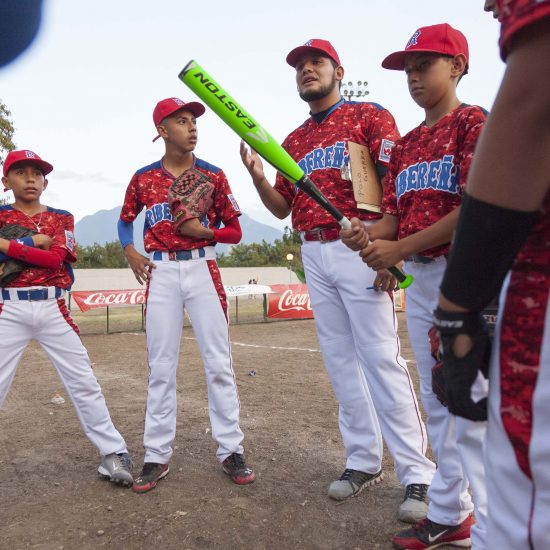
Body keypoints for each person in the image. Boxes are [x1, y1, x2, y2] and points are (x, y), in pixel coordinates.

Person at [240, 39, 435, 522]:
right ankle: (363, 460)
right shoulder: (291, 141)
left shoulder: (369, 116)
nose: (307, 70)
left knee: (380, 359)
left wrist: (390, 254)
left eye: (316, 63)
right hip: (313, 249)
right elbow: (282, 208)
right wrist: (259, 178)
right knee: (340, 362)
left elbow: (396, 179)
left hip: (359, 245)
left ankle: (418, 474)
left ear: (338, 71)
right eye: (300, 67)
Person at [341, 24, 489, 549]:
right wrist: (368, 232)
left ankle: (492, 520)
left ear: (457, 67)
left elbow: (476, 211)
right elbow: (395, 219)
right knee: (439, 397)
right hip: (424, 281)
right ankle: (453, 513)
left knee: (471, 396)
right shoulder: (404, 146)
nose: (412, 75)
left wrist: (397, 248)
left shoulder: (473, 125)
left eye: (424, 64)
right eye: (407, 67)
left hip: (471, 280)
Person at [434, 2, 550, 548]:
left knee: (520, 522)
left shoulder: (472, 121)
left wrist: (459, 310)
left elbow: (535, 107)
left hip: (533, 280)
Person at [118, 97, 254, 493]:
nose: (192, 127)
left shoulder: (213, 174)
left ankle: (231, 449)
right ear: (162, 130)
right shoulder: (143, 177)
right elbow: (125, 222)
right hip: (159, 269)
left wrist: (206, 233)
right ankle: (156, 455)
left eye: (194, 121)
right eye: (182, 121)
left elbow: (236, 230)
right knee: (161, 367)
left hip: (202, 265)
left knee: (218, 363)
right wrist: (129, 250)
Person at [0, 149, 133, 487]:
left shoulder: (62, 217)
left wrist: (7, 245)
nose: (31, 178)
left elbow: (56, 260)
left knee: (84, 382)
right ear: (6, 181)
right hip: (7, 307)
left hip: (53, 306)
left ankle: (112, 452)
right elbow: (42, 251)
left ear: (45, 181)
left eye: (37, 173)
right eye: (21, 172)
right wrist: (33, 241)